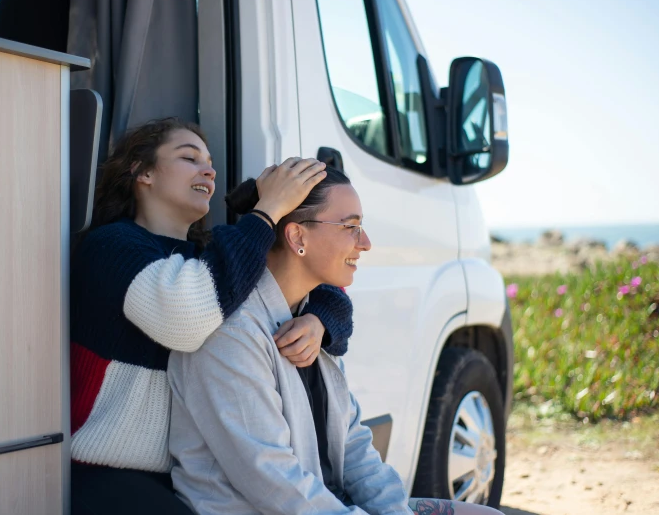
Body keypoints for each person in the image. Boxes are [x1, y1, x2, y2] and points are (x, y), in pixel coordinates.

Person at [167, 168, 503, 515]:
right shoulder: (232, 335)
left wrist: (395, 511)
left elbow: (355, 446)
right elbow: (274, 482)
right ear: (298, 237)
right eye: (350, 226)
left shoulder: (313, 321)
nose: (365, 242)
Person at [69, 118, 355, 514]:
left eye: (210, 162)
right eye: (189, 157)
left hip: (176, 478)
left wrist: (319, 320)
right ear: (142, 171)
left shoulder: (205, 259)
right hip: (107, 475)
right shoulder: (112, 247)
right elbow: (188, 319)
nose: (209, 170)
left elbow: (317, 286)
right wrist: (268, 210)